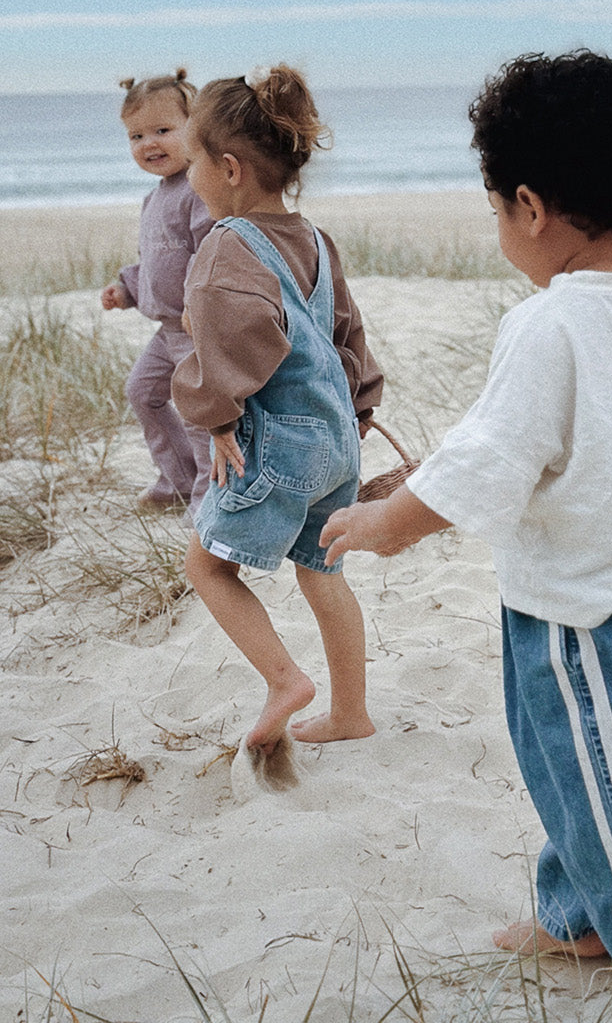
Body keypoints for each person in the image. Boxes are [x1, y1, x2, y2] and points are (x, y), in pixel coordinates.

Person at [321, 49, 612, 1023]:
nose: (501, 227)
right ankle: (580, 914)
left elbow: (489, 468)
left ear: (529, 208)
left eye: (496, 209)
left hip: (585, 621)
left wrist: (385, 522)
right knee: (600, 772)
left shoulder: (550, 326)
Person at [172, 67, 383, 759]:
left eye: (193, 158)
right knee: (323, 571)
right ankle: (351, 711)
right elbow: (347, 334)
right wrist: (361, 404)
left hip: (281, 449)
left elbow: (224, 344)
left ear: (228, 168)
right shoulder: (316, 241)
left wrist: (217, 416)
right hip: (336, 440)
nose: (189, 172)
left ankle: (285, 680)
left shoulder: (227, 248)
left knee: (207, 567)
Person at [101, 69, 214, 516]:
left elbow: (212, 253)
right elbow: (156, 261)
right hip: (167, 330)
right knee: (142, 392)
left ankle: (209, 496)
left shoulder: (199, 189)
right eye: (136, 136)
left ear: (197, 128)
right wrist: (126, 287)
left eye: (163, 130)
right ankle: (178, 479)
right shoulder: (154, 198)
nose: (149, 144)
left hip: (196, 327)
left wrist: (202, 306)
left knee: (200, 414)